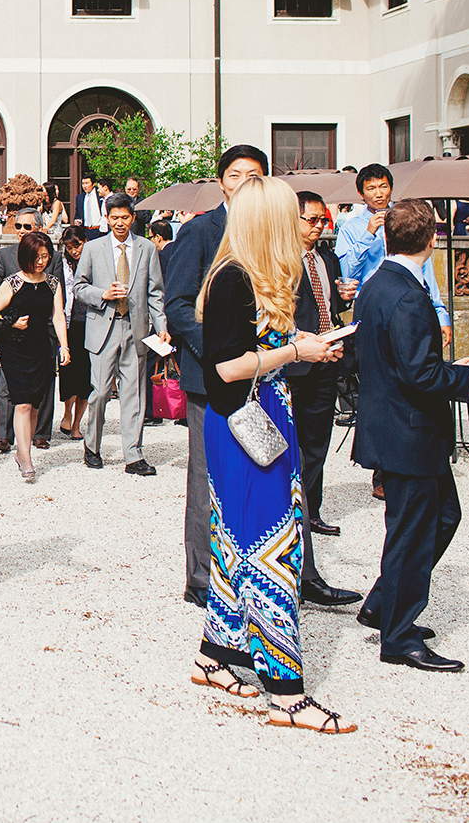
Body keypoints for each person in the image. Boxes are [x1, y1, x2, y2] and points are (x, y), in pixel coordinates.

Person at [190, 175, 353, 733]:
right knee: (269, 549)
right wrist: (293, 350)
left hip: (257, 419)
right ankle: (285, 693)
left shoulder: (253, 274)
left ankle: (218, 656)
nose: (304, 225)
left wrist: (302, 350)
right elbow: (224, 370)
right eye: (290, 216)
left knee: (239, 546)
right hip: (242, 426)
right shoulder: (234, 278)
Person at [353, 198, 469, 673]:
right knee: (411, 534)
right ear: (433, 240)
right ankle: (399, 635)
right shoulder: (408, 294)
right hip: (408, 430)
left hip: (397, 425)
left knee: (444, 515)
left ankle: (382, 604)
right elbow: (421, 376)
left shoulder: (373, 286)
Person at [163, 144, 269, 607]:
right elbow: (178, 305)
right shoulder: (201, 231)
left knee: (261, 472)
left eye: (254, 174)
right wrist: (222, 351)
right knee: (207, 478)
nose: (244, 181)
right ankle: (202, 579)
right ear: (222, 180)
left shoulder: (268, 231)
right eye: (236, 174)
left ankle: (255, 567)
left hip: (262, 374)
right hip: (211, 376)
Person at [73, 193, 168, 474]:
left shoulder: (147, 248)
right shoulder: (93, 248)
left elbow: (156, 293)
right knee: (100, 392)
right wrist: (103, 293)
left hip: (136, 328)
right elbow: (78, 287)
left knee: (134, 394)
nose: (119, 223)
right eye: (114, 218)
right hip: (103, 327)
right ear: (106, 218)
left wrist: (161, 328)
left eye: (124, 217)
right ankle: (92, 445)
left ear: (133, 217)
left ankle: (133, 455)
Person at [334, 164, 450, 342]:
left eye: (383, 187)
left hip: (409, 302)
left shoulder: (407, 221)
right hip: (370, 306)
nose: (378, 194)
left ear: (391, 188)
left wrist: (441, 314)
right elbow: (346, 273)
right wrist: (368, 234)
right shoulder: (351, 228)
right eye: (371, 189)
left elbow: (424, 266)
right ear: (361, 194)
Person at [0, 230, 70, 481]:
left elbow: (58, 316)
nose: (41, 261)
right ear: (26, 256)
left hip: (40, 348)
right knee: (22, 403)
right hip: (15, 349)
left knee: (34, 404)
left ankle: (23, 451)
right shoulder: (12, 283)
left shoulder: (52, 284)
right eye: (37, 256)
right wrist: (13, 324)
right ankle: (25, 457)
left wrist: (64, 346)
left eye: (45, 256)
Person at [292, 192, 350, 538]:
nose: (318, 227)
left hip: (328, 359)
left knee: (318, 441)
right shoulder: (281, 259)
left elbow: (327, 306)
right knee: (292, 441)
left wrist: (344, 299)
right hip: (296, 360)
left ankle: (312, 510)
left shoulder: (327, 259)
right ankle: (289, 510)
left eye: (322, 221)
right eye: (311, 220)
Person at [0, 209, 53, 453]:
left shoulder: (49, 257)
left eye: (27, 227)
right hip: (13, 335)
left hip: (41, 333)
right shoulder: (6, 255)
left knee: (38, 395)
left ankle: (40, 434)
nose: (21, 231)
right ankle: (6, 437)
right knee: (9, 391)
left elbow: (54, 291)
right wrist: (11, 309)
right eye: (18, 226)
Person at [55, 231, 93, 440]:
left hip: (91, 324)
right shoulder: (62, 264)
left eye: (76, 245)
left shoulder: (96, 260)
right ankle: (67, 413)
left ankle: (78, 423)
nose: (74, 251)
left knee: (86, 378)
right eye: (69, 247)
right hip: (69, 323)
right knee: (68, 373)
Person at [76, 174, 103, 239]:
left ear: (93, 184)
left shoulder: (100, 195)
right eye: (83, 183)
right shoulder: (80, 198)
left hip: (99, 229)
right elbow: (77, 213)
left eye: (87, 183)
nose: (85, 186)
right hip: (86, 230)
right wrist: (77, 220)